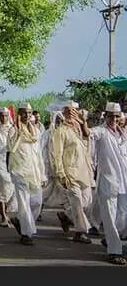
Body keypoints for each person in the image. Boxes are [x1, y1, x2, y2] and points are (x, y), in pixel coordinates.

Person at [51, 101, 93, 244]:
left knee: (87, 201)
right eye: (68, 111)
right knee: (77, 202)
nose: (71, 113)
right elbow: (57, 154)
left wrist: (83, 122)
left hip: (84, 172)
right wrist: (61, 173)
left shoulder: (80, 129)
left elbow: (88, 137)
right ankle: (80, 232)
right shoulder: (60, 131)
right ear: (63, 113)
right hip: (70, 173)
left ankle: (67, 217)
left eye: (74, 110)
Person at [90, 102, 127, 265]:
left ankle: (112, 239)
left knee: (122, 218)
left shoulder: (123, 134)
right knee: (110, 218)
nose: (114, 118)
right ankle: (114, 251)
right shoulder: (101, 132)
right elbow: (88, 134)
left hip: (123, 183)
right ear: (105, 116)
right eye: (111, 115)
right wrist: (82, 123)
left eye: (117, 116)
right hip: (108, 182)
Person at [8, 103, 45, 246]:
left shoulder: (36, 131)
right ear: (19, 114)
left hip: (34, 171)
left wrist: (42, 174)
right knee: (23, 203)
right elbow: (11, 148)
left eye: (29, 113)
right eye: (24, 113)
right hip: (19, 171)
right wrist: (18, 131)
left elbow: (39, 155)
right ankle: (26, 234)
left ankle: (19, 220)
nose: (27, 116)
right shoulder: (13, 130)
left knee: (36, 202)